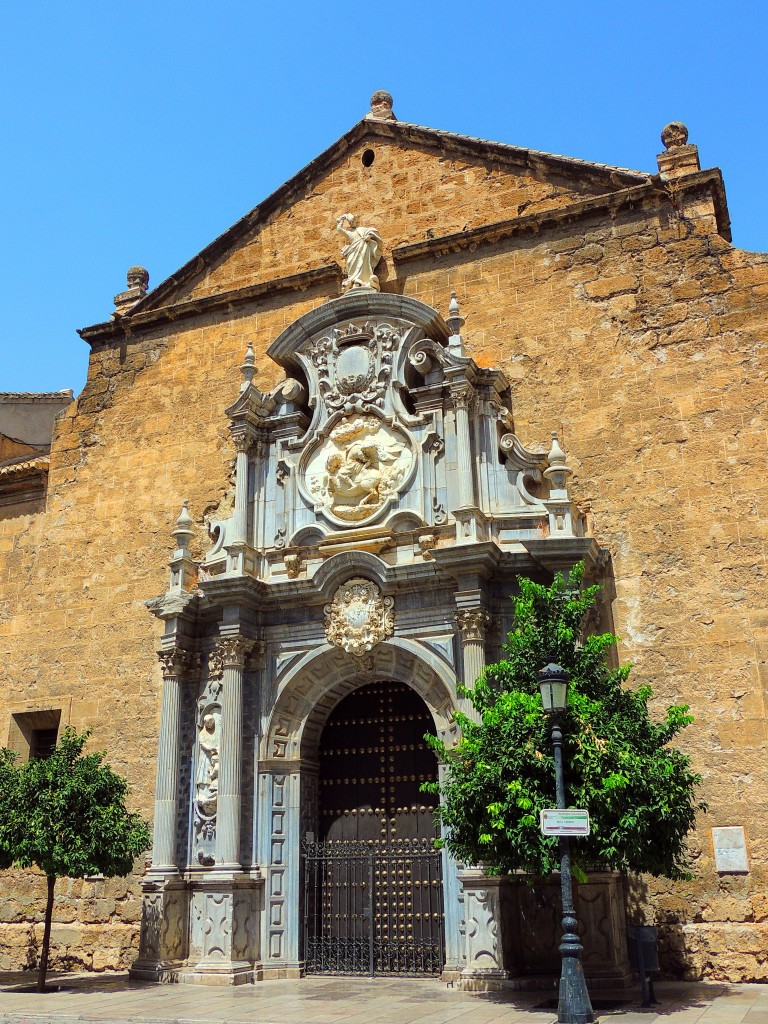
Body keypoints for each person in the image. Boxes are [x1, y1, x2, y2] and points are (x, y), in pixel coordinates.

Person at [336, 213, 382, 291]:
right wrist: (341, 219)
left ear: (356, 221)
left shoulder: (362, 230)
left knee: (363, 262)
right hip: (352, 252)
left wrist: (369, 236)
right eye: (350, 222)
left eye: (352, 221)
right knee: (350, 262)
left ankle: (364, 280)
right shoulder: (349, 233)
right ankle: (353, 280)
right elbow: (339, 229)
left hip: (363, 250)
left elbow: (372, 232)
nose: (351, 223)